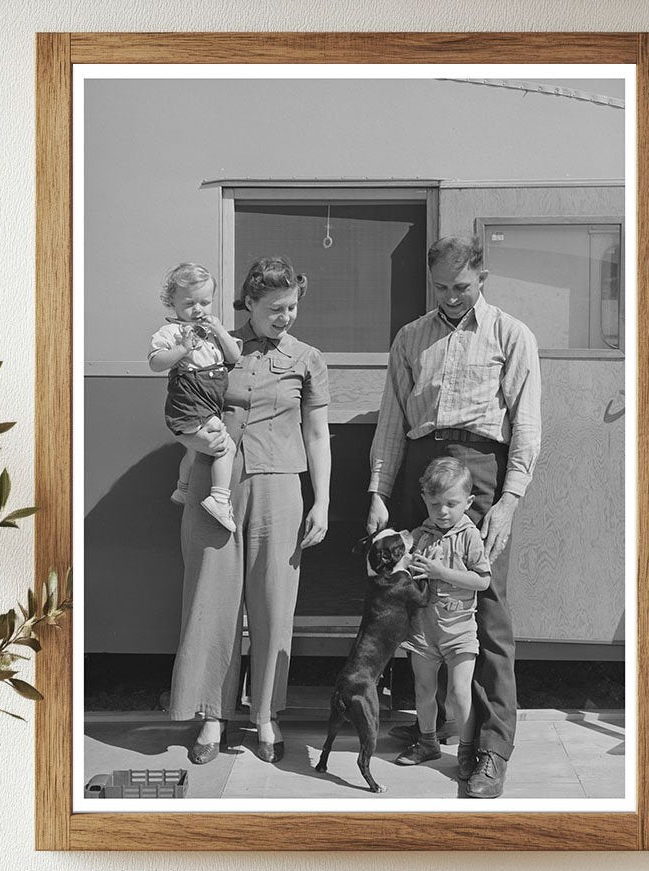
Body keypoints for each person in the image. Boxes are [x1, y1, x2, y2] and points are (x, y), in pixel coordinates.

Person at [367, 235, 542, 798]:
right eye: (440, 287)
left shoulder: (511, 335)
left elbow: (527, 425)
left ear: (482, 277)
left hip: (481, 474)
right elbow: (392, 422)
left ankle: (490, 747)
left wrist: (509, 501)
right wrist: (379, 492)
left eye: (461, 286)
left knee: (485, 610)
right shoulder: (410, 337)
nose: (450, 296)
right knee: (416, 601)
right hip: (422, 470)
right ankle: (432, 729)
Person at [168, 256, 330, 765]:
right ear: (251, 304)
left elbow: (317, 433)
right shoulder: (214, 345)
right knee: (210, 600)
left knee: (273, 602)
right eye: (275, 308)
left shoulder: (308, 358)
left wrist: (323, 500)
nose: (286, 317)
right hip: (215, 486)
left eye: (292, 307)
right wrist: (190, 448)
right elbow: (184, 406)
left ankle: (265, 715)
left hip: (280, 488)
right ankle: (211, 716)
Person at [395, 457, 490, 779]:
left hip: (459, 630)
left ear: (468, 502)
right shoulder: (420, 535)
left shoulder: (469, 536)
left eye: (452, 504)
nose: (443, 511)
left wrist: (441, 572)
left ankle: (467, 750)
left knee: (459, 692)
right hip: (423, 629)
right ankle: (427, 742)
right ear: (424, 499)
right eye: (435, 504)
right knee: (423, 689)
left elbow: (482, 581)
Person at [148, 263, 242, 531]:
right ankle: (219, 499)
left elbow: (234, 356)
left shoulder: (213, 331)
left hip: (210, 402)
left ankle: (183, 489)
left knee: (192, 450)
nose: (198, 309)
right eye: (189, 303)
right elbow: (155, 363)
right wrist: (182, 348)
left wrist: (220, 331)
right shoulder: (170, 332)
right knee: (225, 446)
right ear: (173, 303)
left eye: (205, 302)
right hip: (191, 400)